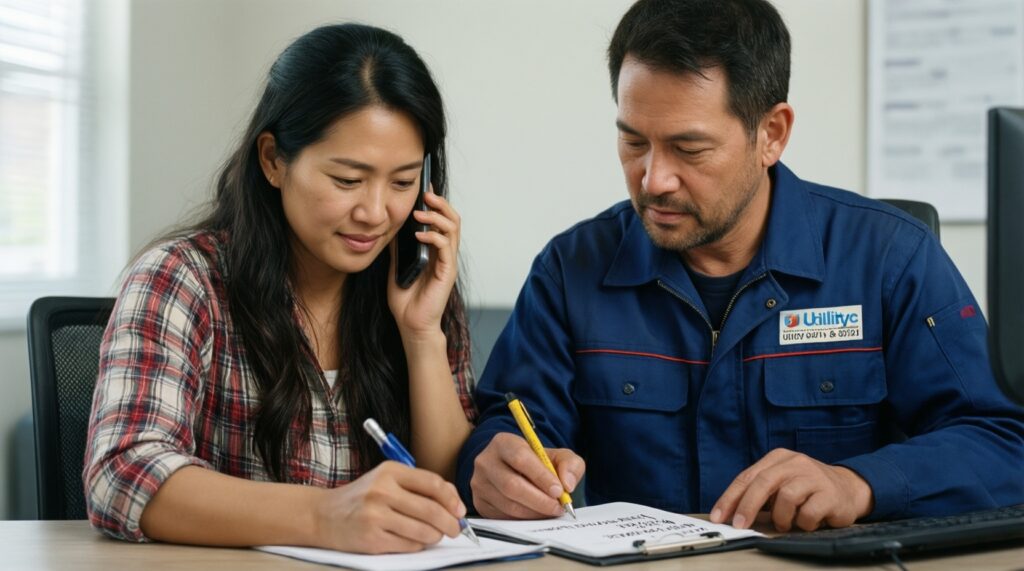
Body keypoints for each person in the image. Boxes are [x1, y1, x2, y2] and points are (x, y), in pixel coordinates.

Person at [457, 0, 1024, 533]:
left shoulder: (890, 258)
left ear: (771, 134)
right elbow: (507, 427)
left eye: (689, 149)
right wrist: (496, 464)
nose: (654, 179)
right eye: (633, 143)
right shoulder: (571, 271)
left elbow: (1004, 440)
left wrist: (859, 484)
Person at [84, 23, 476, 554]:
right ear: (272, 160)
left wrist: (423, 335)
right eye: (347, 180)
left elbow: (450, 497)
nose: (376, 212)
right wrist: (326, 515)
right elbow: (122, 474)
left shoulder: (417, 287)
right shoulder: (183, 279)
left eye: (403, 182)